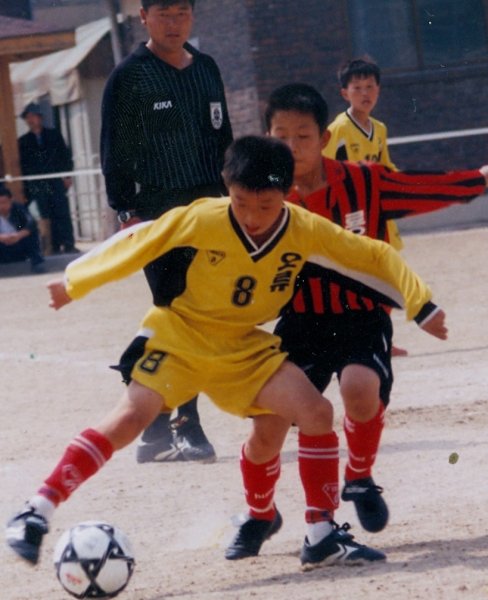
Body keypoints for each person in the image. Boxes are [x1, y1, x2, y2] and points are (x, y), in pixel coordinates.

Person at [5, 136, 447, 571]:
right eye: (240, 202)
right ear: (226, 188)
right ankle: (36, 511)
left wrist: (421, 303)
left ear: (287, 194)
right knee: (130, 417)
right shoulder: (204, 218)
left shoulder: (304, 229)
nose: (253, 216)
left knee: (315, 412)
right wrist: (75, 281)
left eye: (266, 205)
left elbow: (374, 255)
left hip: (244, 347)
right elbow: (140, 240)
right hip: (180, 336)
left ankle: (320, 535)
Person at [261, 82, 487, 539]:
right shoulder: (262, 198)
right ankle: (259, 512)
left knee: (361, 392)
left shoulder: (363, 181)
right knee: (272, 419)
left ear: (323, 138)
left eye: (302, 136)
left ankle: (359, 478)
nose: (291, 147)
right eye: (280, 136)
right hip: (299, 322)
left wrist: (481, 179)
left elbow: (425, 186)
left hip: (361, 315)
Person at [100, 0, 234, 464]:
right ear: (144, 17)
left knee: (201, 311)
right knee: (179, 310)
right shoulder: (130, 76)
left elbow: (224, 140)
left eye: (182, 13)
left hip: (211, 210)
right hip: (157, 213)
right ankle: (184, 425)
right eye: (164, 14)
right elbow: (113, 151)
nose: (174, 23)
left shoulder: (208, 69)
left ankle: (152, 412)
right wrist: (126, 213)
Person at [323, 57, 407, 356]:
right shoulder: (338, 129)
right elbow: (322, 165)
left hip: (378, 213)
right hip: (350, 215)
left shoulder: (379, 129)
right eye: (357, 88)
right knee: (354, 278)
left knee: (386, 273)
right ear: (344, 93)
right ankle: (352, 338)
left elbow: (385, 165)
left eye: (370, 87)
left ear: (378, 90)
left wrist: (405, 184)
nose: (364, 93)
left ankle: (383, 336)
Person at [18, 102, 79, 255]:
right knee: (45, 214)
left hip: (55, 180)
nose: (31, 120)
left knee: (62, 211)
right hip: (37, 184)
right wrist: (26, 187)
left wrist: (67, 175)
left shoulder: (54, 135)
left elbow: (65, 156)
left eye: (33, 116)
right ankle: (54, 245)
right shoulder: (23, 141)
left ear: (40, 118)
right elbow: (23, 166)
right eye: (28, 118)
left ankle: (68, 243)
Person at [0, 186, 45, 274]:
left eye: (4, 202)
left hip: (19, 243)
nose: (1, 206)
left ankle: (37, 263)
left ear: (11, 200)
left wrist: (18, 236)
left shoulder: (18, 208)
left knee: (32, 234)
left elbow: (31, 223)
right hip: (2, 246)